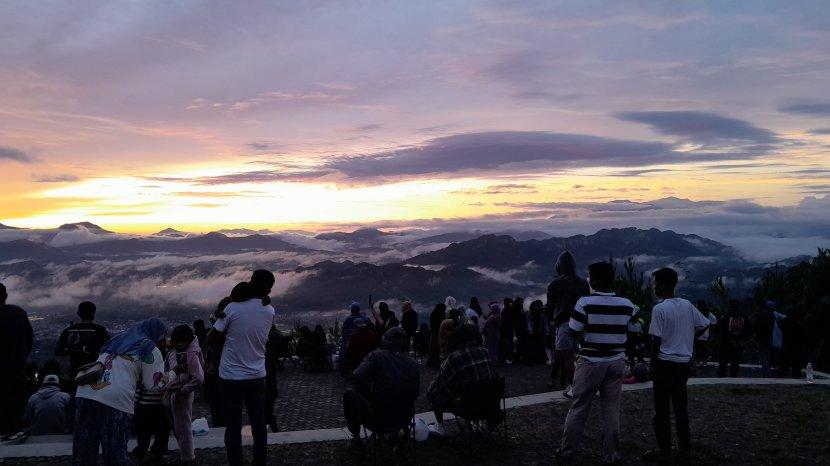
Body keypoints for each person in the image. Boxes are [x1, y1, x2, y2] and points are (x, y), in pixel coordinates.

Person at [556, 262, 634, 464]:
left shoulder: (585, 302)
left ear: (596, 280)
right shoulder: (627, 304)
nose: (589, 280)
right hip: (616, 362)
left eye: (590, 276)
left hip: (590, 362)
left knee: (579, 407)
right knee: (611, 409)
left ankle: (567, 451)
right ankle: (611, 454)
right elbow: (634, 329)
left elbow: (574, 329)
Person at [73, 318, 167, 466]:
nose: (163, 341)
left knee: (83, 453)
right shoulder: (150, 349)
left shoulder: (116, 341)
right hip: (115, 401)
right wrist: (171, 375)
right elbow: (153, 385)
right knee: (115, 456)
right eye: (162, 337)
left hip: (85, 394)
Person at [206, 270, 276, 466]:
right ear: (267, 289)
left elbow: (210, 339)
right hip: (257, 376)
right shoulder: (270, 311)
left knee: (233, 425)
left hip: (230, 378)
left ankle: (236, 462)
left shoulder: (232, 308)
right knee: (259, 423)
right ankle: (259, 461)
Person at [643, 268, 712, 461]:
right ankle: (684, 449)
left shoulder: (660, 309)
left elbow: (655, 341)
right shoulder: (687, 305)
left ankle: (664, 451)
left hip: (664, 364)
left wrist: (651, 367)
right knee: (681, 408)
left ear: (663, 285)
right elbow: (705, 323)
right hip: (683, 364)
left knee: (662, 410)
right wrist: (689, 340)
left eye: (656, 283)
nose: (654, 286)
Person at [343, 327, 420, 449]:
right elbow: (414, 394)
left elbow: (357, 376)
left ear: (386, 341)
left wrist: (368, 395)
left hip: (377, 419)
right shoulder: (413, 363)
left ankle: (356, 439)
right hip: (403, 419)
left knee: (349, 395)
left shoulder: (376, 356)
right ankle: (395, 434)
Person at [427, 324, 500, 437]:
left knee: (433, 392)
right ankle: (477, 423)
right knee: (478, 385)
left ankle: (440, 427)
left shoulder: (454, 357)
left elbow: (440, 387)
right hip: (491, 405)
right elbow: (495, 378)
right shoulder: (485, 352)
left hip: (468, 407)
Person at [546, 250, 590, 390]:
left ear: (559, 266)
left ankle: (573, 388)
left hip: (564, 323)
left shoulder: (555, 284)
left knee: (567, 357)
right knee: (584, 356)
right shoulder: (584, 282)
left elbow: (551, 305)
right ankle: (583, 384)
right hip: (582, 323)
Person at [164, 324, 204, 464]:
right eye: (175, 342)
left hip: (181, 395)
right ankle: (184, 453)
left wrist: (184, 389)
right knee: (178, 427)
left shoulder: (191, 355)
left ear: (186, 341)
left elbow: (199, 378)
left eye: (179, 342)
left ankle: (188, 457)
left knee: (183, 427)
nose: (176, 345)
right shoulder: (176, 352)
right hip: (174, 393)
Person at [0, 282, 34, 436]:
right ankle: (14, 428)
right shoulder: (19, 313)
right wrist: (21, 356)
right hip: (16, 367)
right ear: (6, 296)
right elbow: (29, 338)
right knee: (14, 398)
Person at [55, 301, 111, 395]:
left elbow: (58, 351)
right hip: (95, 373)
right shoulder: (100, 330)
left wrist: (75, 350)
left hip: (75, 373)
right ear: (93, 313)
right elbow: (109, 349)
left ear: (78, 314)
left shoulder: (68, 331)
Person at [132, 375, 169, 461]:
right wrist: (134, 405)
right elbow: (138, 391)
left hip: (156, 406)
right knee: (144, 432)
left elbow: (165, 387)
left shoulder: (163, 375)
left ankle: (158, 452)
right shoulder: (144, 376)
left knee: (161, 431)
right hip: (146, 407)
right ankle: (142, 452)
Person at [717, 300, 750, 377]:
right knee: (735, 363)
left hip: (726, 343)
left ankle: (722, 378)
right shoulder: (744, 317)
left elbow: (722, 331)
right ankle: (733, 377)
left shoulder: (725, 317)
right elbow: (749, 330)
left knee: (723, 362)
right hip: (738, 343)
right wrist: (743, 340)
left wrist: (727, 340)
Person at [777, 307, 806, 378]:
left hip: (786, 346)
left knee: (784, 367)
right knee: (795, 367)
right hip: (795, 348)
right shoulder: (799, 325)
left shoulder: (784, 322)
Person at [691, 300, 717, 375]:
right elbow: (714, 321)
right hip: (705, 334)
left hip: (697, 333)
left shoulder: (698, 313)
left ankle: (697, 361)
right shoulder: (708, 314)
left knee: (696, 347)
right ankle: (704, 361)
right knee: (703, 348)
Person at [754, 301, 775, 377]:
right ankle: (765, 373)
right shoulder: (771, 316)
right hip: (768, 338)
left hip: (761, 339)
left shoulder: (760, 316)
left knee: (763, 357)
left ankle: (767, 373)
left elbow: (756, 328)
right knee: (767, 356)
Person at [526, 300, 548, 364]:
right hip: (534, 332)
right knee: (533, 346)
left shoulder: (541, 313)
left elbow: (544, 323)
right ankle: (534, 360)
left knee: (538, 346)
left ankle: (539, 359)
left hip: (539, 331)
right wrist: (531, 331)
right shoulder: (530, 313)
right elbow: (528, 323)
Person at [427, 303, 447, 367]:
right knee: (436, 347)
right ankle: (435, 361)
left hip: (435, 332)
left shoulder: (434, 313)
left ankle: (432, 361)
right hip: (437, 332)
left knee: (434, 347)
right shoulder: (439, 314)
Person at [499, 298, 515, 364]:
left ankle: (509, 357)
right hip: (506, 330)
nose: (511, 304)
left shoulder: (507, 310)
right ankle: (508, 357)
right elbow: (503, 322)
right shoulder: (506, 311)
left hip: (508, 330)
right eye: (510, 302)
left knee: (509, 344)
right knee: (507, 344)